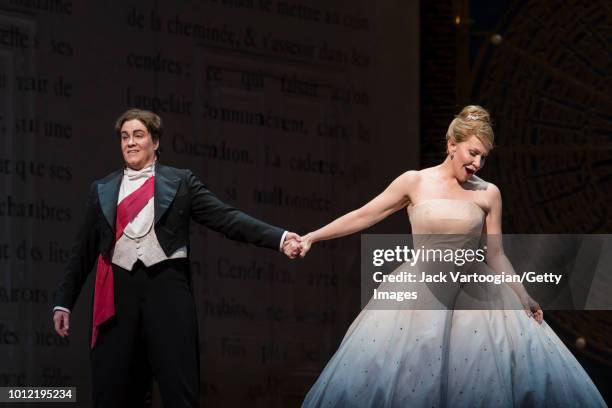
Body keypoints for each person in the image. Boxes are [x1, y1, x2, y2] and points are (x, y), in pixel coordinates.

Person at [298, 106, 606, 407]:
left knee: (478, 378)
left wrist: (523, 295)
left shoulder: (489, 193)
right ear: (451, 145)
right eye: (473, 153)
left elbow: (496, 253)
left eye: (484, 157)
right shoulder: (414, 182)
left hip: (474, 292)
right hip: (420, 289)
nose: (477, 163)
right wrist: (313, 236)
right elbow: (363, 215)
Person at [52, 108, 302, 407]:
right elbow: (82, 251)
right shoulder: (103, 189)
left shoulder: (181, 182)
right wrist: (63, 300)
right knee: (115, 387)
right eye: (124, 137)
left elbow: (227, 218)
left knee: (178, 385)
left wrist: (280, 237)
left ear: (155, 142)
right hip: (118, 295)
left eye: (138, 135)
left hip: (167, 289)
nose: (130, 143)